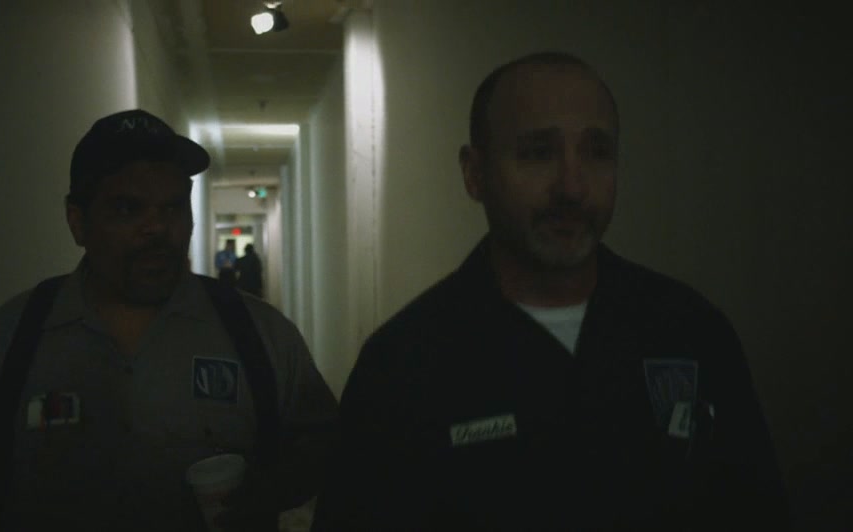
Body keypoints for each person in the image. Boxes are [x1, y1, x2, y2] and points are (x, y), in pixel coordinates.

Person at [312, 52, 789, 531]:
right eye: (538, 153)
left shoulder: (691, 331)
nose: (572, 187)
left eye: (596, 152)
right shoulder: (403, 366)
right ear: (474, 174)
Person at [0, 109, 338, 531]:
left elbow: (328, 450)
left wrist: (272, 489)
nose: (157, 227)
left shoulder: (259, 333)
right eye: (127, 208)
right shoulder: (17, 335)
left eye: (173, 207)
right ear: (78, 222)